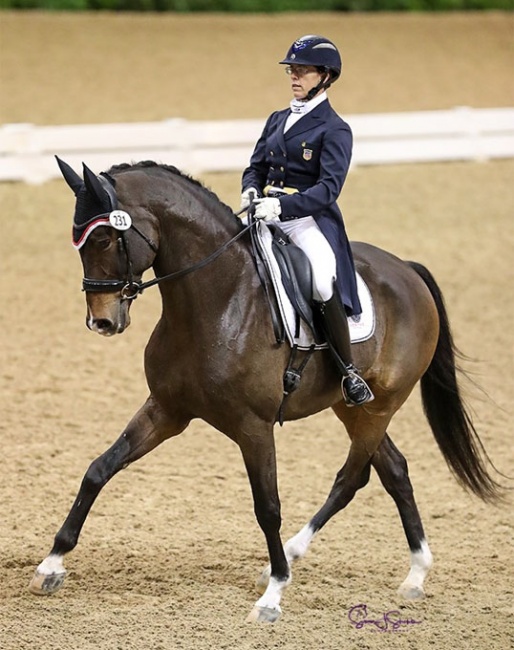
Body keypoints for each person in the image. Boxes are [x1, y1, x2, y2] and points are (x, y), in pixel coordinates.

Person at [240, 34, 373, 406]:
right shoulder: (277, 119)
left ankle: (348, 371)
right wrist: (250, 191)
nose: (294, 76)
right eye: (292, 70)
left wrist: (282, 208)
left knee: (320, 278)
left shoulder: (335, 129)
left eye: (303, 70)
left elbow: (329, 189)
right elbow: (256, 167)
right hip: (263, 212)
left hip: (307, 220)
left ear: (326, 76)